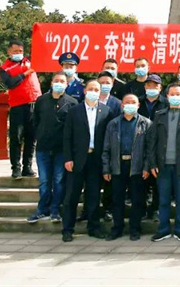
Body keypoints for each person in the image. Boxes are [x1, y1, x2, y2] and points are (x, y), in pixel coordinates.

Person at [61, 80, 112, 242]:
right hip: (77, 160)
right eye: (91, 89)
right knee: (71, 196)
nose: (93, 92)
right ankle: (67, 229)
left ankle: (94, 227)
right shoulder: (74, 111)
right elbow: (67, 136)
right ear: (85, 91)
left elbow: (108, 138)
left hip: (96, 160)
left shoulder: (106, 111)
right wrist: (68, 158)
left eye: (96, 89)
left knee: (94, 196)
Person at [149, 83, 180, 243]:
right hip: (163, 165)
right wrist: (152, 164)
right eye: (172, 94)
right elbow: (153, 141)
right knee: (163, 199)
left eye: (178, 94)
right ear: (167, 96)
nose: (175, 97)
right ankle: (163, 229)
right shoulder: (159, 115)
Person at [27, 71, 76, 224]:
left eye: (62, 81)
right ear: (51, 83)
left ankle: (55, 209)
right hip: (43, 148)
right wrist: (39, 135)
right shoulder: (41, 100)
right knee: (44, 181)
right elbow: (35, 121)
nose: (59, 83)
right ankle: (42, 209)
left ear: (67, 84)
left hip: (61, 150)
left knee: (59, 180)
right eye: (56, 81)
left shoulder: (72, 103)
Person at [102, 95, 152, 241]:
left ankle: (135, 229)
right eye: (127, 102)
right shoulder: (113, 124)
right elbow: (106, 148)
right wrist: (106, 168)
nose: (130, 105)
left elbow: (149, 149)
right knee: (117, 199)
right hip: (117, 165)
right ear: (122, 105)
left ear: (138, 105)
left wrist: (146, 167)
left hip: (137, 166)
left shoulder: (146, 123)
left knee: (137, 199)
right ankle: (117, 228)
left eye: (133, 102)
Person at [0, 40, 41, 179]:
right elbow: (10, 83)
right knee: (16, 137)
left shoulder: (30, 62)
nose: (18, 53)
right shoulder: (5, 68)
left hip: (34, 103)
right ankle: (16, 167)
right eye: (15, 51)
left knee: (31, 137)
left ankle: (27, 167)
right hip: (18, 106)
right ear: (9, 52)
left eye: (20, 51)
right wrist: (25, 73)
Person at [139, 74, 167, 220]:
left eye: (155, 86)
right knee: (142, 179)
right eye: (149, 85)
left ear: (160, 88)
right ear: (145, 87)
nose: (152, 88)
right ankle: (142, 209)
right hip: (140, 144)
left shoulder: (166, 103)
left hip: (159, 145)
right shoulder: (138, 102)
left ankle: (155, 208)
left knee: (158, 179)